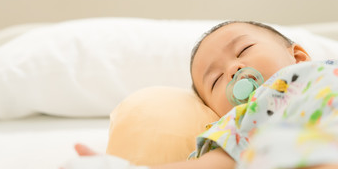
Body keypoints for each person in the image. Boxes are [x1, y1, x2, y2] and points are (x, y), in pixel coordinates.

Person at [63, 21, 338, 169]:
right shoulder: (245, 121)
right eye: (216, 80)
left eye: (243, 50)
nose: (232, 69)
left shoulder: (320, 72)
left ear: (299, 56)